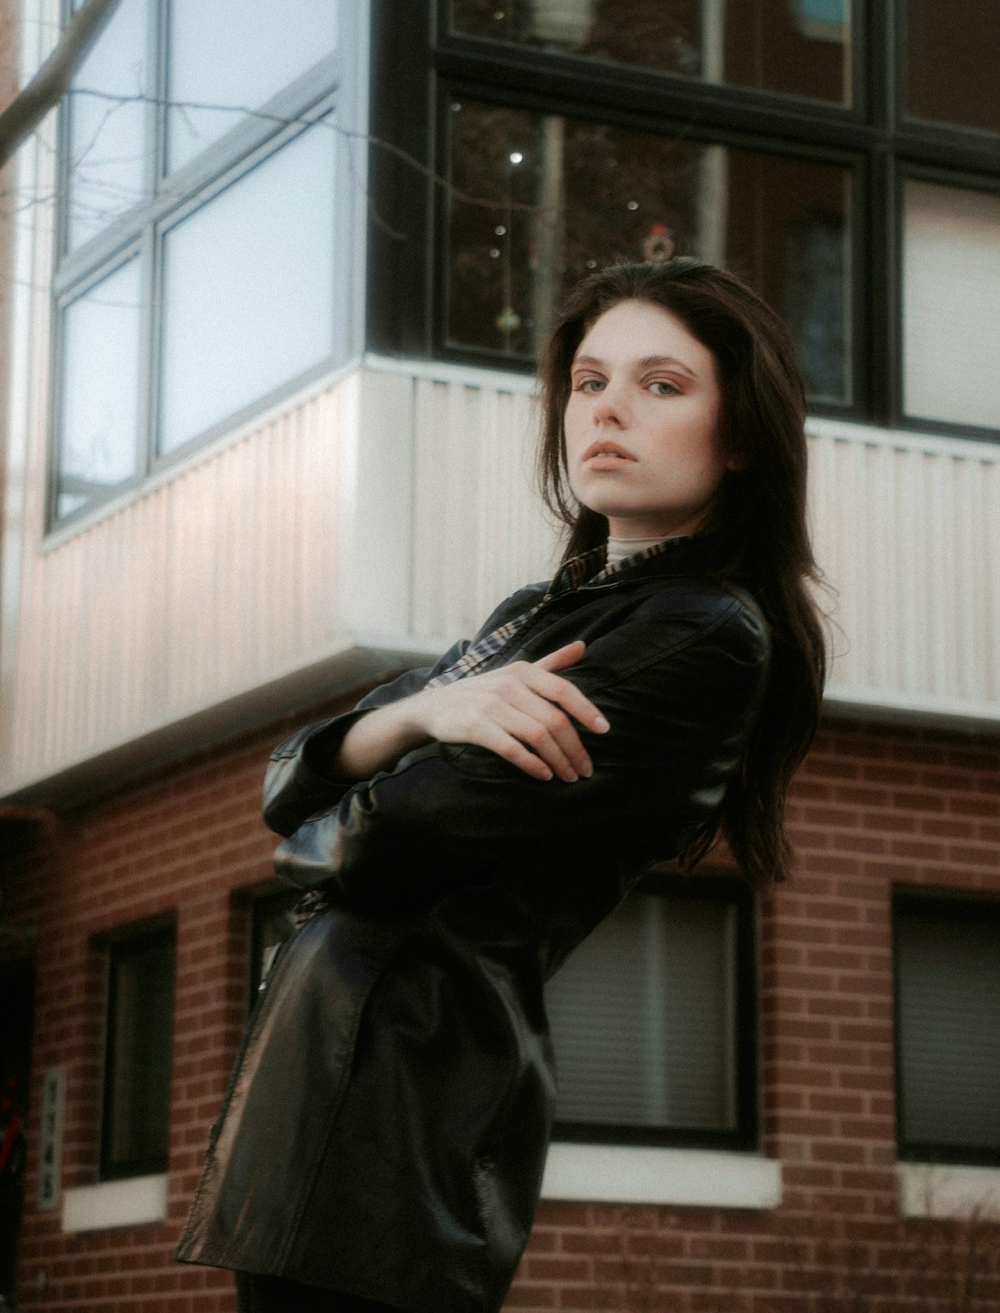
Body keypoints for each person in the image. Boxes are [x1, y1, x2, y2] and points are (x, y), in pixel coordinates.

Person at [176, 258, 826, 1313]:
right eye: (588, 382)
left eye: (661, 386)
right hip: (321, 1088)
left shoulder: (699, 633)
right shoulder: (534, 611)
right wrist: (419, 714)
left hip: (403, 1106)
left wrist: (351, 797)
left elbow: (387, 838)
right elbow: (285, 783)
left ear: (740, 434)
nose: (609, 410)